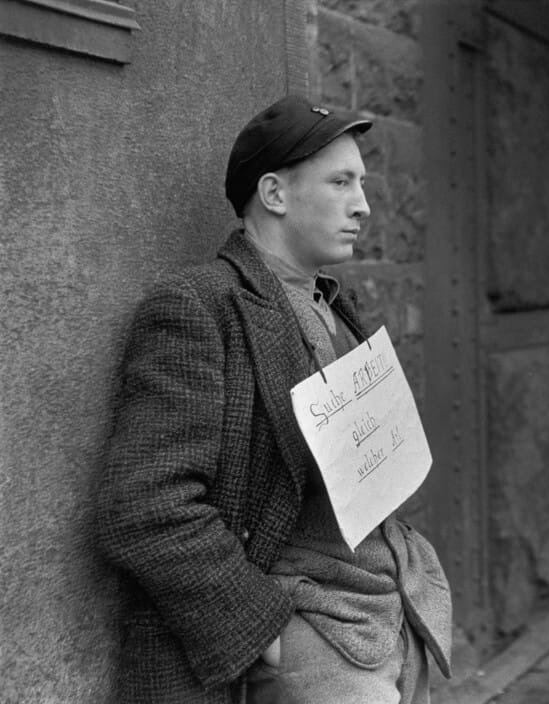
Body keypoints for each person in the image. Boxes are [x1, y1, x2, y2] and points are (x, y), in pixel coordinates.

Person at [96, 96, 451, 703]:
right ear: (275, 195)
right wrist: (268, 636)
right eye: (341, 182)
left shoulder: (335, 306)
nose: (362, 204)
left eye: (361, 183)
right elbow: (144, 505)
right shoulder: (197, 307)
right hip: (309, 642)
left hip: (391, 616)